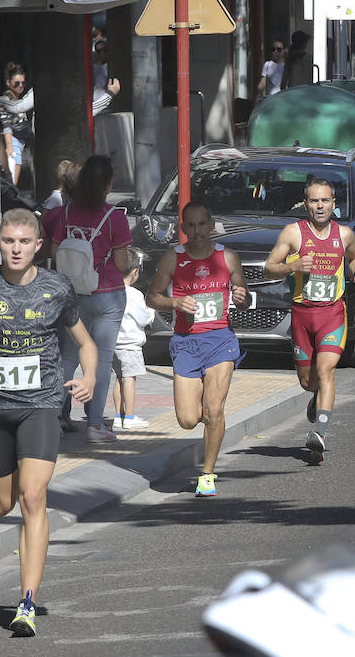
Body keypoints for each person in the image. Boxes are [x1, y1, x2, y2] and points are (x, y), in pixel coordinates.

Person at [0, 208, 98, 636]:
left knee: (32, 497)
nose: (16, 248)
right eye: (9, 241)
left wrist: (89, 376)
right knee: (1, 504)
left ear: (38, 245)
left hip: (41, 405)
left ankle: (27, 601)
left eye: (24, 242)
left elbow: (86, 343)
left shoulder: (56, 288)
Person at [262, 177, 355, 463]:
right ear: (306, 204)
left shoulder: (344, 234)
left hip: (332, 314)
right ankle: (317, 397)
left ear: (334, 204)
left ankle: (320, 433)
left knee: (326, 370)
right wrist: (293, 266)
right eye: (314, 200)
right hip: (302, 315)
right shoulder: (293, 233)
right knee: (308, 382)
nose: (319, 206)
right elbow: (268, 269)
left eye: (325, 201)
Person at [150, 202, 251, 495]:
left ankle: (207, 474)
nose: (197, 231)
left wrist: (242, 296)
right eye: (190, 226)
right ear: (183, 229)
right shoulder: (173, 259)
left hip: (220, 340)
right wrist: (174, 303)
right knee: (187, 419)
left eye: (201, 225)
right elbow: (151, 297)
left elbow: (242, 295)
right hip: (186, 342)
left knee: (214, 410)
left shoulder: (228, 257)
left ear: (211, 225)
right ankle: (206, 438)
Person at [48, 155, 132, 443]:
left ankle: (56, 418)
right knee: (102, 358)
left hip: (72, 295)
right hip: (107, 295)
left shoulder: (67, 213)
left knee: (68, 356)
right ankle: (95, 425)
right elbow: (121, 263)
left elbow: (55, 251)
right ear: (108, 184)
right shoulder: (115, 218)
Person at [112, 248, 153, 430]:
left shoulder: (111, 291)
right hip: (130, 345)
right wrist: (151, 310)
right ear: (135, 271)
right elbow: (144, 319)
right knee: (129, 379)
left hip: (113, 343)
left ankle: (117, 415)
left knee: (119, 379)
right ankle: (129, 416)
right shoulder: (135, 295)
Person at [0, 63, 33, 187]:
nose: (20, 86)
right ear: (8, 82)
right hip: (13, 142)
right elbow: (6, 123)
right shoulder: (5, 100)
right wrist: (9, 146)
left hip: (21, 141)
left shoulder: (20, 99)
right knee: (12, 181)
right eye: (17, 83)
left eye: (23, 83)